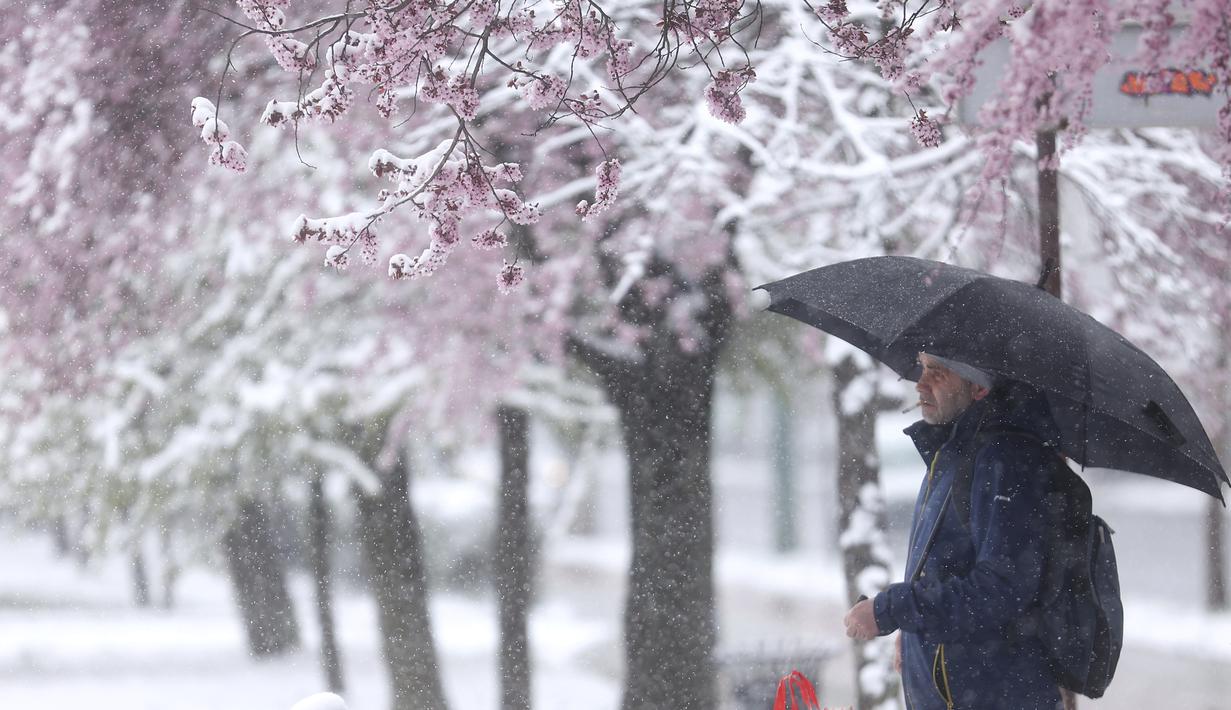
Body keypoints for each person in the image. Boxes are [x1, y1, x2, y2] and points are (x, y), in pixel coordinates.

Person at [843, 352, 1062, 710]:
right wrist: (916, 638)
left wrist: (893, 609)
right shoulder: (954, 453)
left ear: (976, 387)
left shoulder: (1003, 460)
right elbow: (945, 568)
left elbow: (999, 590)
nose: (920, 383)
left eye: (938, 373)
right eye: (923, 368)